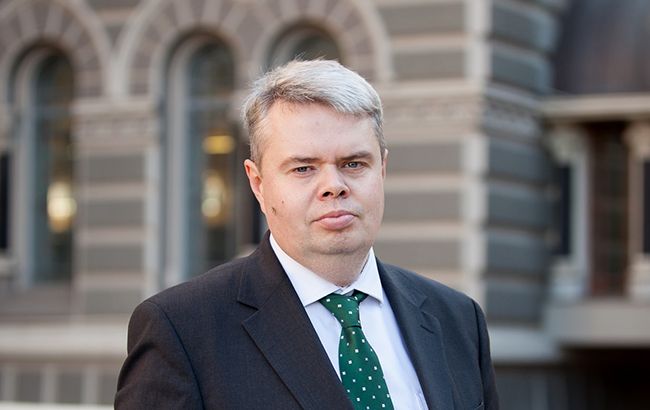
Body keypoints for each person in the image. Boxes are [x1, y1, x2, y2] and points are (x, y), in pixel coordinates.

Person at [114, 59, 499, 410]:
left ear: (382, 170)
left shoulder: (457, 319)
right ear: (258, 183)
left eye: (353, 163)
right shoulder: (183, 330)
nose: (334, 186)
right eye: (303, 168)